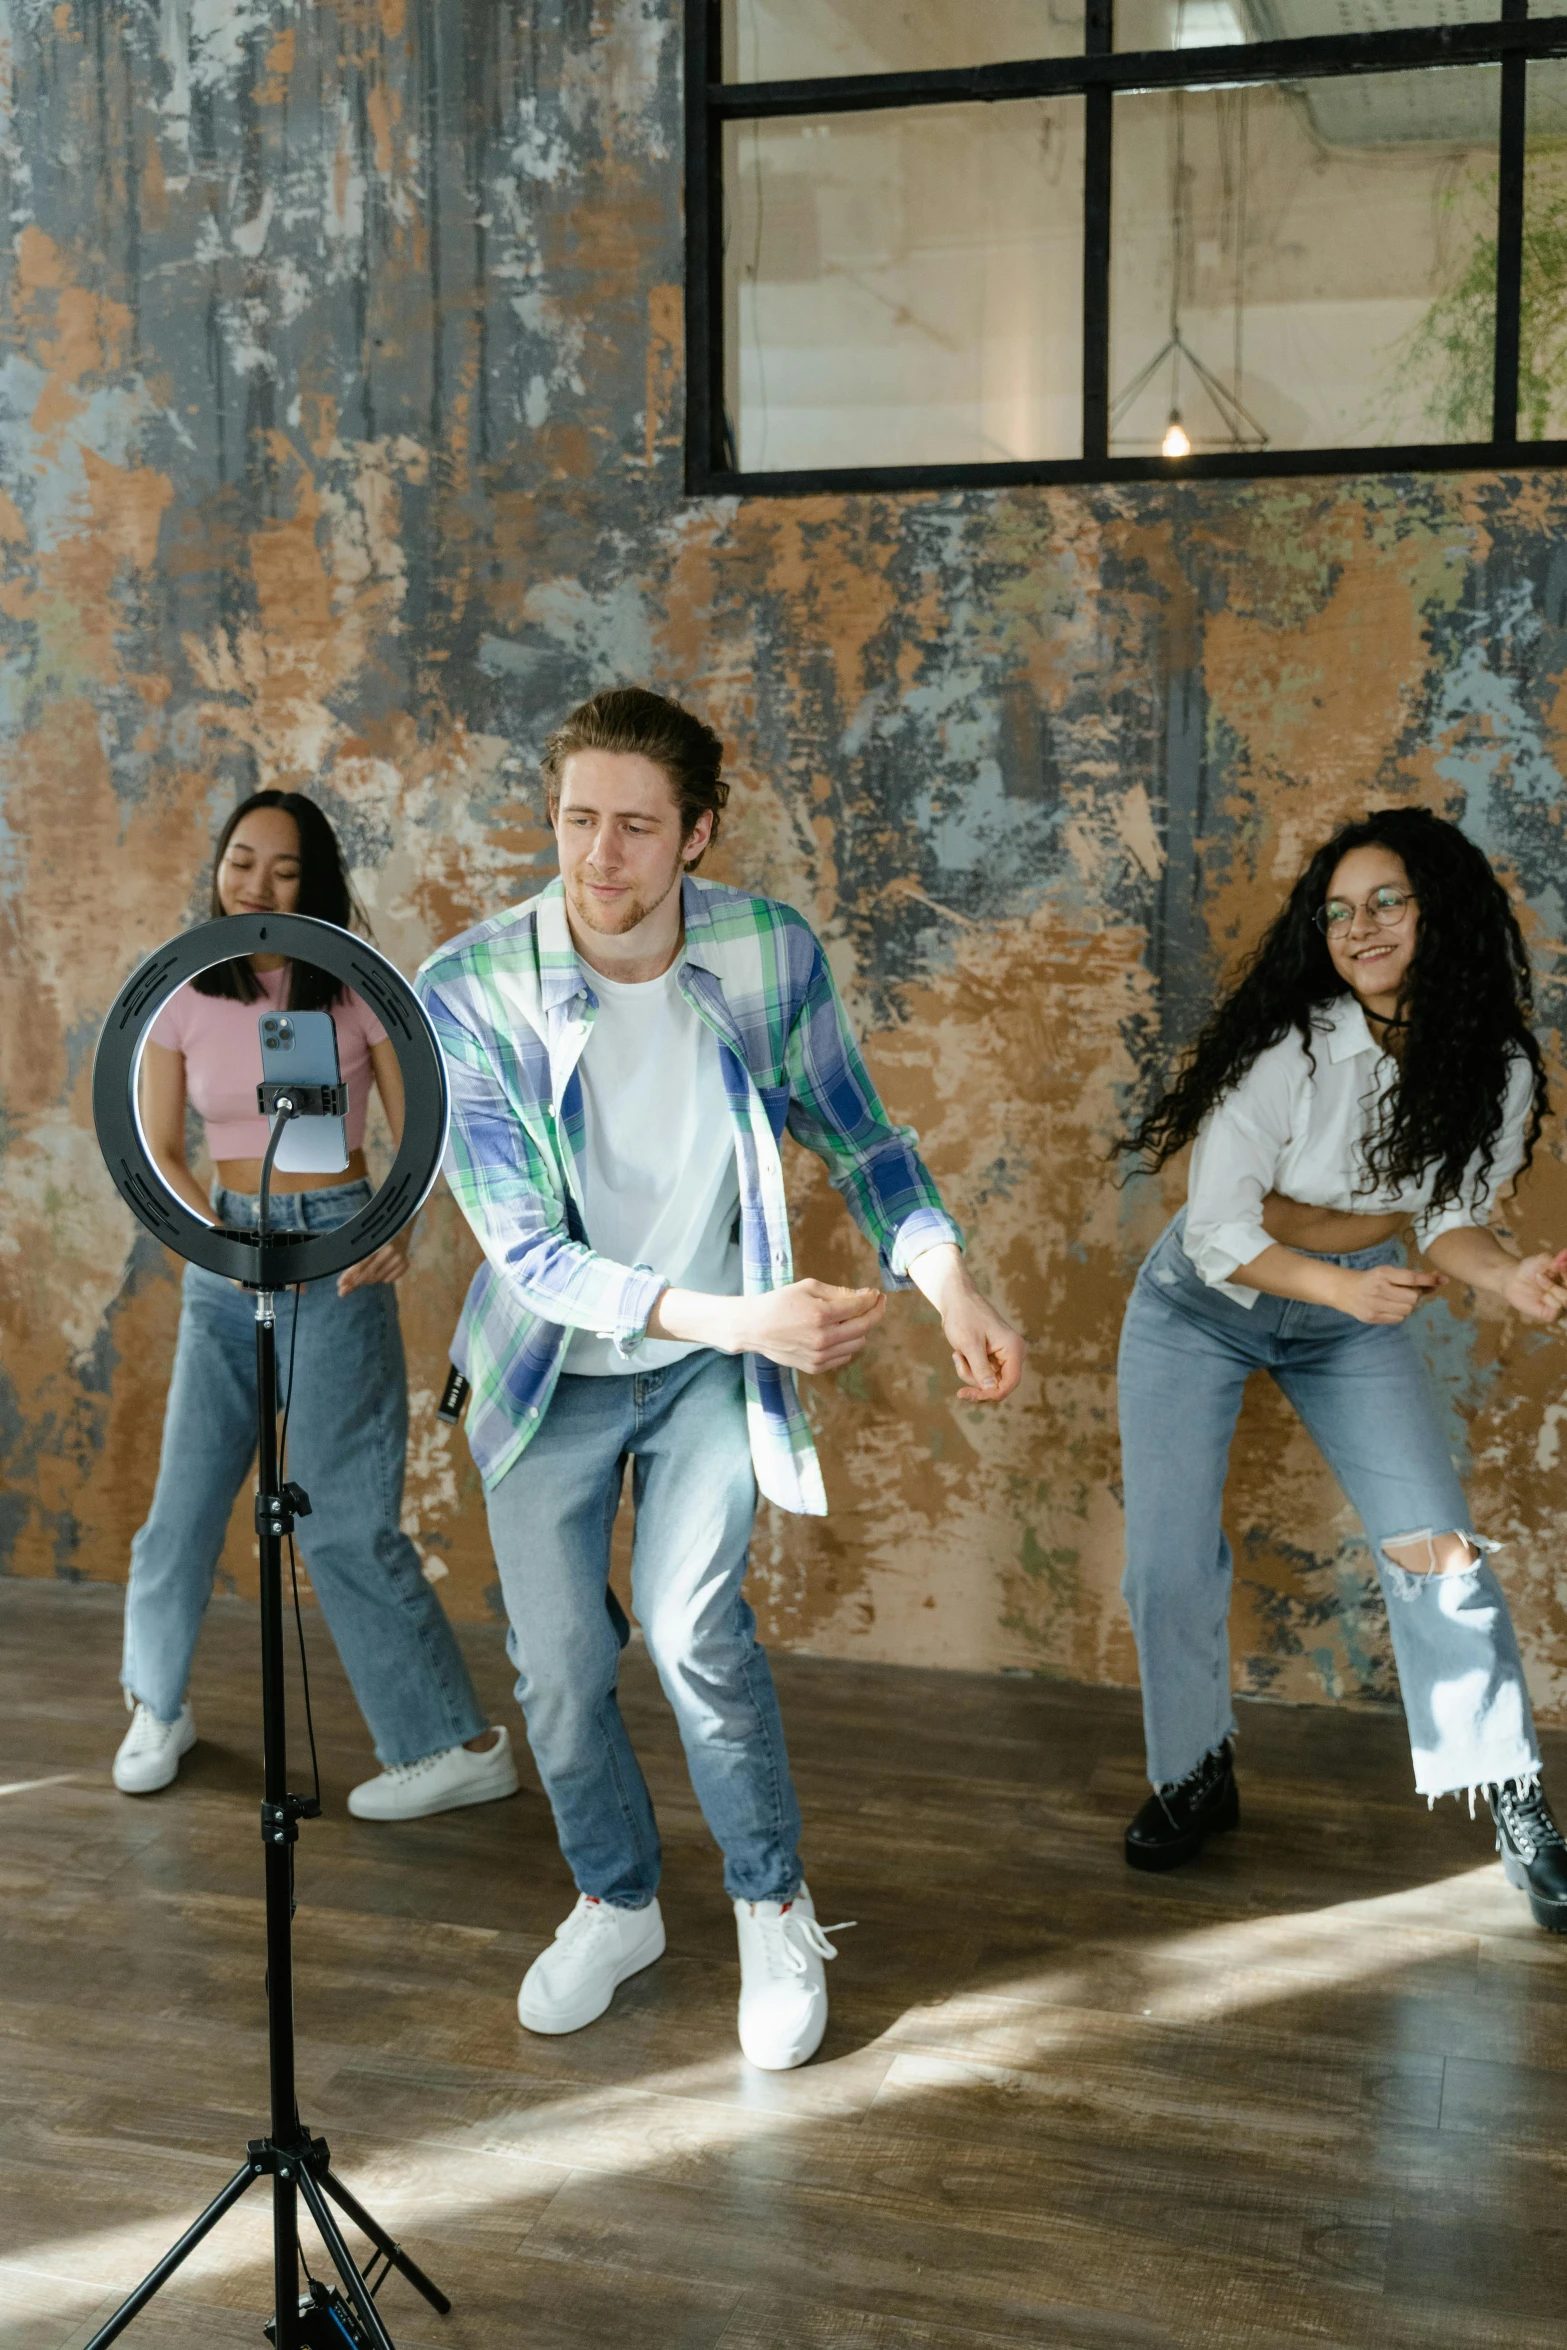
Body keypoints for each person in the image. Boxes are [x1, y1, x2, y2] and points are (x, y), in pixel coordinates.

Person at [417, 686, 1026, 2068]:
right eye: (577, 820)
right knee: (560, 1672)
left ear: (698, 835)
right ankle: (615, 1898)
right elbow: (519, 1248)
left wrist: (948, 1285)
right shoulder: (466, 988)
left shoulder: (764, 953)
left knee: (695, 1634)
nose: (597, 859)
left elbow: (861, 1138)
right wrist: (743, 1317)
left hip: (704, 1368)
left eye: (635, 828)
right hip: (552, 1367)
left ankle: (769, 1902)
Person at [1116, 805, 1567, 1932]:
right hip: (1201, 1309)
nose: (1357, 927)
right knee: (1166, 1562)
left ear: (1439, 912)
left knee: (1437, 1547)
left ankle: (1509, 1790)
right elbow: (1218, 1229)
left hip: (1345, 1311)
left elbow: (1450, 1219)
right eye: (1337, 911)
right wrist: (1343, 1283)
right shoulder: (1292, 1048)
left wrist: (1504, 1276)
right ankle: (1193, 1772)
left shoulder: (1491, 1065)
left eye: (1385, 902)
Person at [115, 789, 518, 1824]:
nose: (256, 884)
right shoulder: (180, 992)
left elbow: (420, 1133)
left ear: (316, 883)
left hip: (337, 1249)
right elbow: (160, 1151)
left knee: (340, 1519)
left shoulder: (351, 986)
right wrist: (218, 1236)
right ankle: (155, 1707)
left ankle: (450, 1747)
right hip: (222, 1255)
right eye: (241, 861)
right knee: (180, 1514)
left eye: (283, 870)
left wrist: (396, 1227)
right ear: (220, 868)